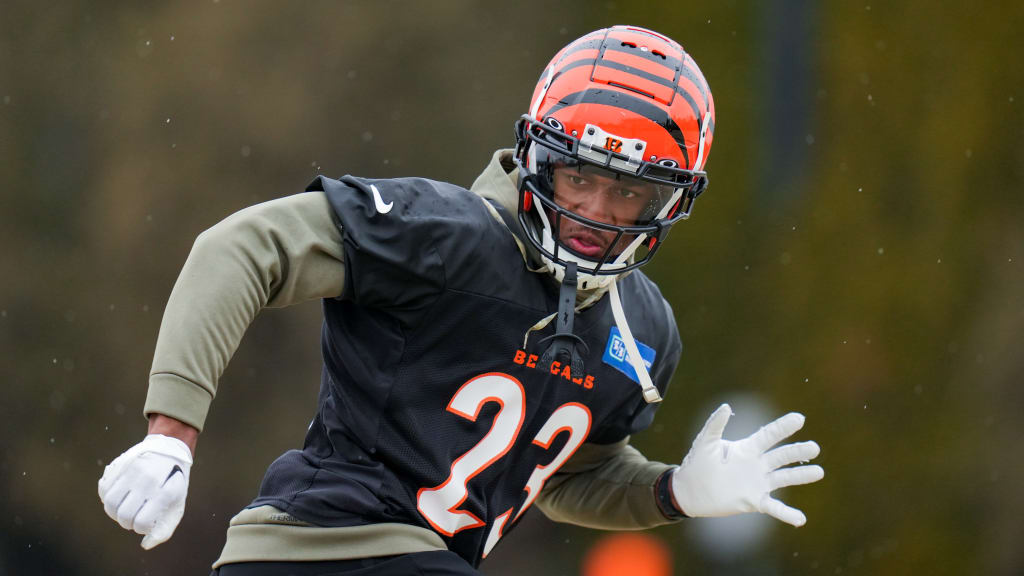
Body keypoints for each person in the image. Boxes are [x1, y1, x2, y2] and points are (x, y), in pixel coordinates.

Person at [98, 25, 824, 575]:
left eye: (629, 189)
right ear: (537, 156)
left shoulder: (645, 331)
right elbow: (243, 248)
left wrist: (673, 494)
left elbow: (565, 477)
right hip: (324, 544)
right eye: (578, 176)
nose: (595, 209)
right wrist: (172, 431)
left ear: (669, 201)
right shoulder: (446, 233)